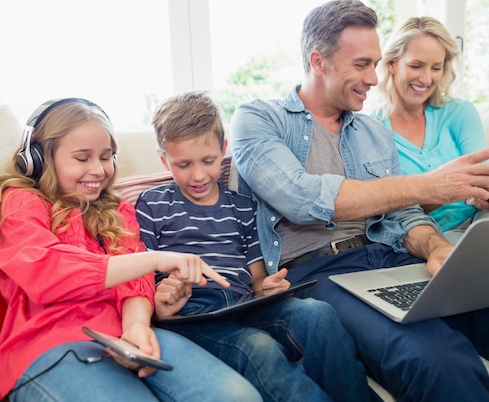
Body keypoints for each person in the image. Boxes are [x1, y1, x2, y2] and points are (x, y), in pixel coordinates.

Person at [230, 0, 489, 402]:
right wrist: (431, 184)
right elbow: (299, 196)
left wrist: (437, 248)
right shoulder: (258, 119)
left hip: (393, 258)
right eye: (361, 64)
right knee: (441, 363)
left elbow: (403, 213)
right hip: (322, 274)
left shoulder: (373, 134)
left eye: (376, 64)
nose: (374, 78)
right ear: (318, 61)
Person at [0, 98, 262, 402]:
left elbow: (136, 283)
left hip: (125, 336)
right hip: (52, 346)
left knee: (237, 396)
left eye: (106, 157)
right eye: (82, 158)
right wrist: (154, 259)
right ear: (39, 158)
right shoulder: (22, 202)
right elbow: (45, 271)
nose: (98, 170)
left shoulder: (117, 210)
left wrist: (136, 327)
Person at [135, 91, 374, 402]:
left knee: (318, 314)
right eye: (183, 164)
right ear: (163, 159)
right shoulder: (152, 204)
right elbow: (141, 274)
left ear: (223, 149)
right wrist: (161, 295)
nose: (197, 175)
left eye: (208, 161)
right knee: (260, 349)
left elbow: (257, 279)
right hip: (191, 313)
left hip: (242, 303)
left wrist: (267, 286)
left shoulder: (242, 207)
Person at [369, 16, 489, 239]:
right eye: (416, 66)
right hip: (422, 236)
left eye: (436, 68)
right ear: (392, 64)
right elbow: (389, 211)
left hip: (478, 220)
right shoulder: (373, 128)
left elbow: (479, 179)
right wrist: (443, 190)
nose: (426, 79)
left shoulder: (459, 112)